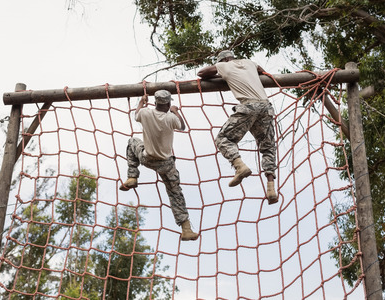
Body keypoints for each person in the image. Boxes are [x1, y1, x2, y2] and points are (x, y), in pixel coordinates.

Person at [197, 50, 278, 204]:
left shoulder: (224, 65)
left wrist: (220, 70)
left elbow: (201, 73)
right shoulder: (249, 62)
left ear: (223, 60)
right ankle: (271, 188)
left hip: (248, 106)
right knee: (268, 147)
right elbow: (261, 70)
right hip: (266, 107)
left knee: (223, 138)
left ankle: (239, 166)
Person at [119, 90, 199, 241]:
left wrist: (142, 102)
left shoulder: (145, 113)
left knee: (132, 142)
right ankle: (186, 229)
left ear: (155, 103)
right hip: (167, 164)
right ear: (168, 104)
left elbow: (136, 114)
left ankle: (132, 177)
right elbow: (182, 127)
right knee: (175, 193)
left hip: (147, 158)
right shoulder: (170, 117)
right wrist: (175, 112)